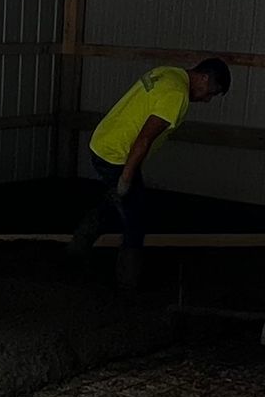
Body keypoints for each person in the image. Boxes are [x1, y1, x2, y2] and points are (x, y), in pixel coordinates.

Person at [71, 57, 231, 290]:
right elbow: (144, 139)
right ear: (204, 77)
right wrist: (127, 176)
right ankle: (126, 283)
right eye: (211, 92)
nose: (207, 99)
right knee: (135, 218)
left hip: (103, 140)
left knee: (118, 202)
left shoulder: (167, 71)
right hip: (118, 155)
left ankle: (77, 248)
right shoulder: (177, 96)